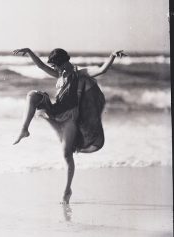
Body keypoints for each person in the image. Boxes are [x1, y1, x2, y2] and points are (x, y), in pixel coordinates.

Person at [12, 48, 126, 204]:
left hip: (70, 119)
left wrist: (112, 56)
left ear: (63, 63)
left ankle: (67, 190)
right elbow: (41, 67)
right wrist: (29, 52)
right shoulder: (59, 75)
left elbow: (101, 70)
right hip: (55, 111)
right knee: (32, 95)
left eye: (55, 66)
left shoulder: (80, 74)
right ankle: (24, 129)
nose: (53, 69)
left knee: (66, 153)